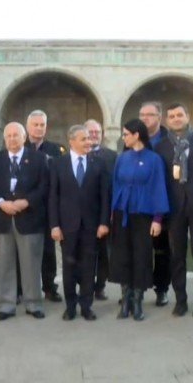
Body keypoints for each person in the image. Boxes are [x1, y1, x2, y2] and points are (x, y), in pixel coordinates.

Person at [154, 103, 193, 317]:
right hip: (174, 208)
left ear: (187, 117)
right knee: (176, 256)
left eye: (180, 114)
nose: (176, 118)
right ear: (167, 121)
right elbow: (160, 179)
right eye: (172, 116)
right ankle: (181, 300)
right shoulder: (161, 146)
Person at [0, 122, 49, 321]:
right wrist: (1, 203)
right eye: (9, 136)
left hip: (29, 218)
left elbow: (44, 186)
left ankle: (33, 303)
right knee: (4, 263)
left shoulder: (38, 159)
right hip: (2, 219)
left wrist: (27, 201)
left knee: (31, 263)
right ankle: (6, 305)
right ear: (4, 139)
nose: (12, 139)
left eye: (16, 135)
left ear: (24, 138)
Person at [110, 119, 170, 321]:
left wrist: (157, 218)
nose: (123, 137)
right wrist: (112, 212)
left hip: (143, 214)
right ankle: (125, 300)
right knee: (122, 256)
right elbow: (116, 185)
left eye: (126, 134)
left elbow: (158, 187)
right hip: (122, 213)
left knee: (142, 256)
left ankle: (137, 301)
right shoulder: (122, 158)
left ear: (137, 135)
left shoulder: (154, 159)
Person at [49, 125, 110, 321]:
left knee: (88, 267)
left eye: (89, 139)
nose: (89, 142)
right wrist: (54, 225)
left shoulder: (98, 163)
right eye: (84, 139)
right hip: (67, 226)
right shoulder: (58, 164)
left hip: (92, 227)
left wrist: (103, 223)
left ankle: (86, 306)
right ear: (72, 141)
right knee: (69, 267)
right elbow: (53, 197)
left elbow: (104, 197)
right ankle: (71, 306)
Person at [24, 109, 65, 302]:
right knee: (24, 251)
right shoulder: (20, 146)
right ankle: (21, 289)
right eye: (35, 125)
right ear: (28, 127)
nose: (39, 128)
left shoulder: (55, 150)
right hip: (25, 207)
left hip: (48, 207)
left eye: (42, 125)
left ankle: (49, 287)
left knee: (48, 251)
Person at [138, 102, 171, 306]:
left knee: (162, 251)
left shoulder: (168, 142)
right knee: (140, 249)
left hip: (162, 203)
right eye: (142, 115)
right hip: (140, 205)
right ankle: (137, 289)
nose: (145, 118)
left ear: (159, 117)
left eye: (149, 115)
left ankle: (162, 289)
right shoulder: (134, 139)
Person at [85, 119, 117, 300]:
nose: (94, 135)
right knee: (87, 252)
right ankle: (86, 286)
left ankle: (100, 286)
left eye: (97, 132)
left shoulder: (112, 156)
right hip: (86, 213)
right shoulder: (79, 154)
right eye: (90, 132)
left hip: (106, 212)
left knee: (105, 253)